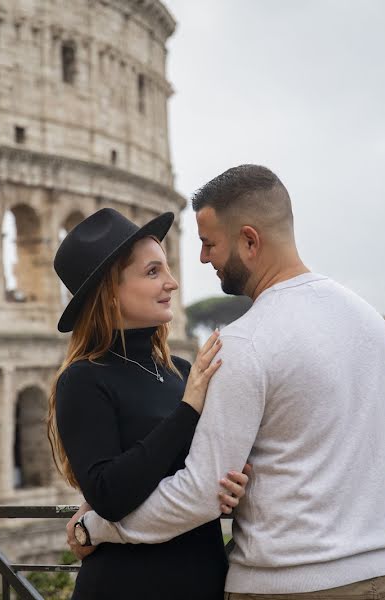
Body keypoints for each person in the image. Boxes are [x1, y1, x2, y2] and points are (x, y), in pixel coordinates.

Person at [69, 165, 385, 600]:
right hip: (381, 577)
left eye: (209, 244)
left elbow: (200, 493)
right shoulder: (371, 321)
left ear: (250, 240)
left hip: (284, 585)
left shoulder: (242, 343)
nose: (202, 259)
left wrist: (93, 526)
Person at [49, 207, 251, 600]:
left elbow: (200, 472)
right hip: (125, 586)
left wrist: (232, 486)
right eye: (153, 272)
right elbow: (110, 495)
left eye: (167, 269)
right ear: (110, 291)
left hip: (203, 580)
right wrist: (188, 410)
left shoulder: (180, 370)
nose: (172, 283)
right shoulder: (84, 379)